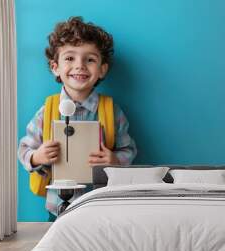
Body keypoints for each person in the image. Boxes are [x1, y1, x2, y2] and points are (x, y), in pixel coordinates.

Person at [18, 16, 137, 222]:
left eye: (90, 59)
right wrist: (38, 156)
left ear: (102, 69)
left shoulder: (111, 110)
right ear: (55, 66)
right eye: (70, 58)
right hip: (58, 208)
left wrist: (115, 160)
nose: (80, 66)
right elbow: (24, 149)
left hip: (100, 205)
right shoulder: (47, 110)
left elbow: (129, 149)